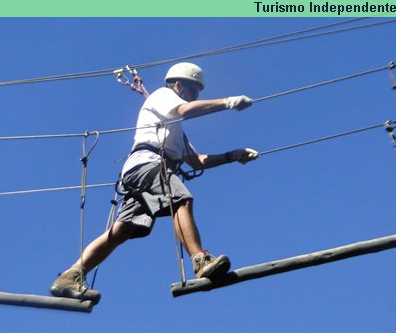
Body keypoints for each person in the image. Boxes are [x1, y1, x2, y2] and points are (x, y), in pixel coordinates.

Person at [50, 62, 259, 304]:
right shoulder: (163, 96)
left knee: (123, 230)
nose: (195, 97)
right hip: (147, 164)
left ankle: (71, 275)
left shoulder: (176, 130)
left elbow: (197, 161)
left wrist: (233, 155)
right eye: (194, 91)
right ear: (179, 85)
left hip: (142, 171)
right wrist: (227, 102)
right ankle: (200, 260)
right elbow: (184, 110)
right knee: (182, 200)